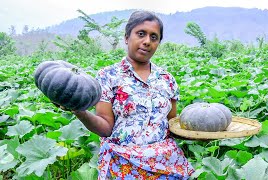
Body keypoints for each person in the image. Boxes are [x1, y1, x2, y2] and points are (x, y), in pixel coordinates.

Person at [72, 10, 194, 179]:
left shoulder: (167, 79)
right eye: (141, 34)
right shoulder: (108, 76)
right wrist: (79, 111)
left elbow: (171, 125)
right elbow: (106, 127)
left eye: (154, 37)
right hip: (123, 166)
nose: (147, 42)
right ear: (127, 37)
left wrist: (199, 133)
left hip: (166, 165)